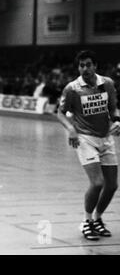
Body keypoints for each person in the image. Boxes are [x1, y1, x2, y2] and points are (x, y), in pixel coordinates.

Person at [56, 50, 119, 241]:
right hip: (85, 139)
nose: (85, 68)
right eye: (81, 65)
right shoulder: (72, 88)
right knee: (98, 182)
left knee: (112, 186)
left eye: (88, 64)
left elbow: (113, 109)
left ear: (95, 66)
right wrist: (71, 129)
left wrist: (116, 121)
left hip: (106, 138)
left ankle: (98, 219)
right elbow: (60, 113)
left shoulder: (107, 83)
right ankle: (87, 221)